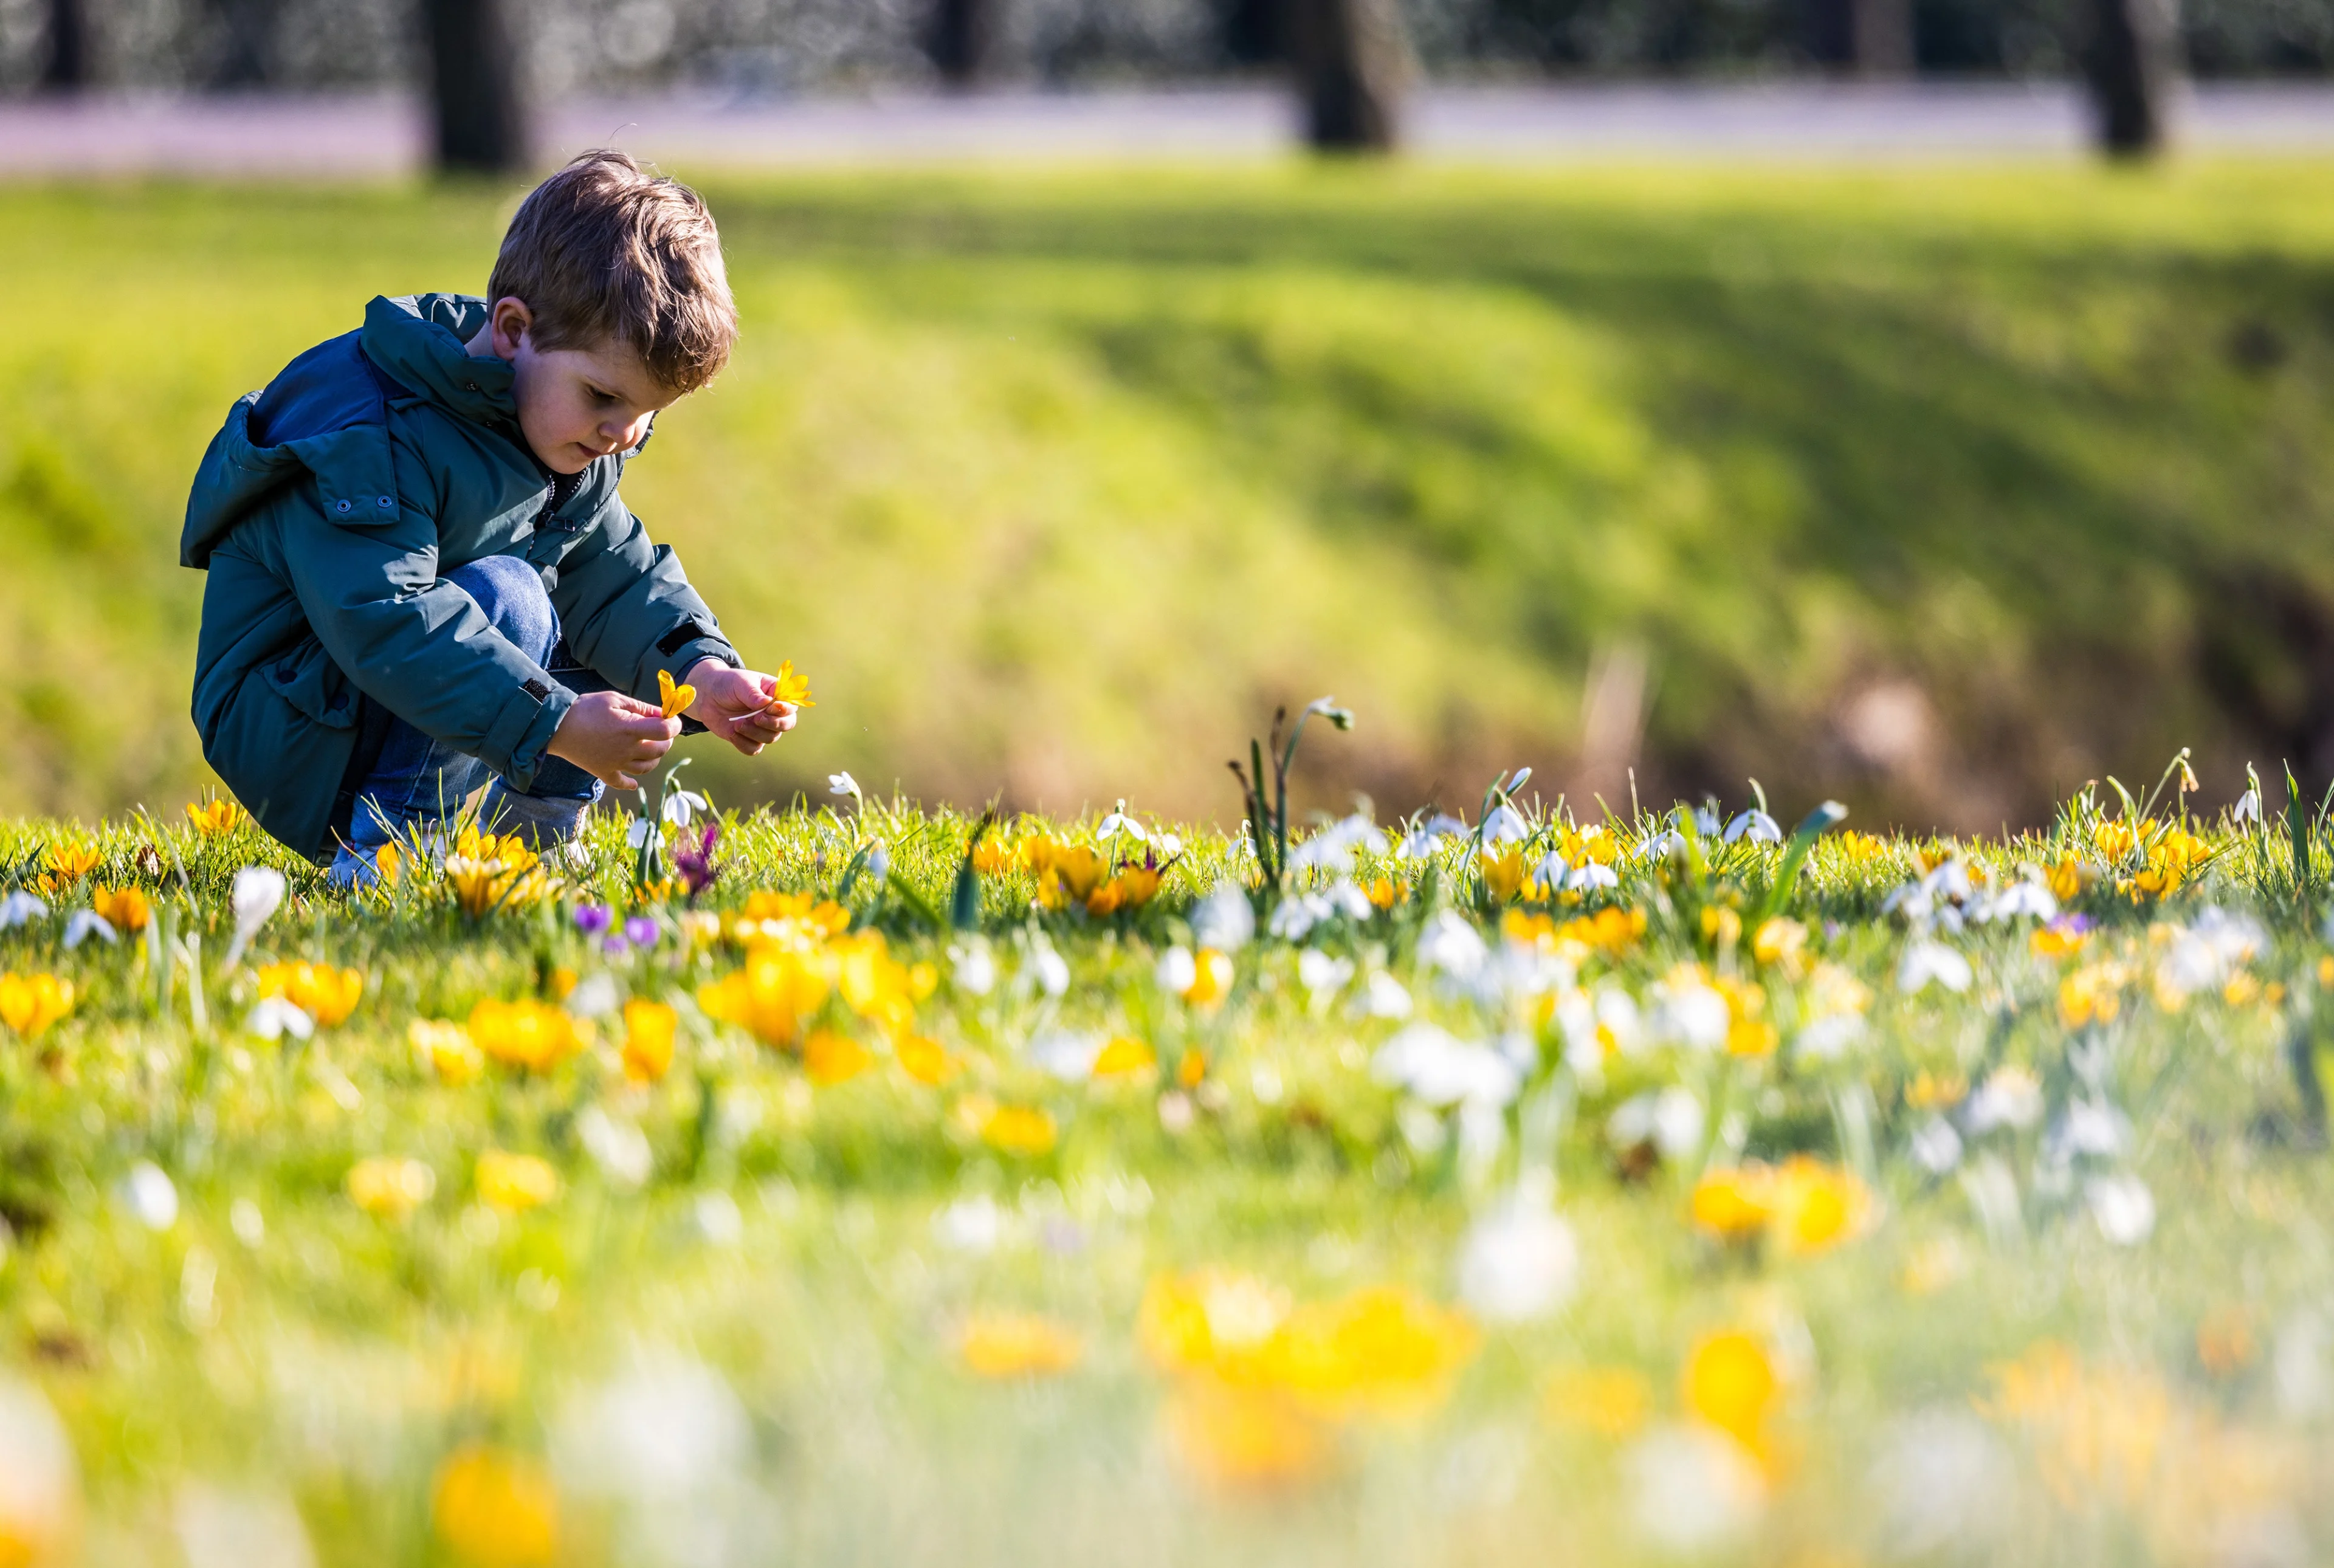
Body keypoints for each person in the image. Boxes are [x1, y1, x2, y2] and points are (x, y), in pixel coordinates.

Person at [180, 150, 794, 884]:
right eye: (604, 398)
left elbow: (614, 575)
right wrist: (559, 725)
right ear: (511, 330)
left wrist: (701, 672)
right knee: (514, 593)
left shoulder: (552, 426)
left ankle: (532, 844)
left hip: (376, 699)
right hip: (295, 718)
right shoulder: (375, 434)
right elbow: (386, 619)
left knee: (565, 591)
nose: (622, 434)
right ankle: (388, 855)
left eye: (646, 413)